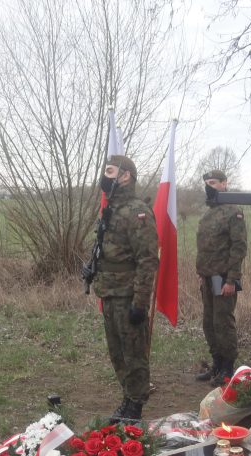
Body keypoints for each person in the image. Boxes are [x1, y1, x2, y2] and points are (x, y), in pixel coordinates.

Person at [90, 155, 158, 422]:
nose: (105, 176)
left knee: (133, 353)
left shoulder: (137, 212)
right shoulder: (112, 209)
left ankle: (135, 407)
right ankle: (128, 398)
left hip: (128, 295)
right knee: (117, 352)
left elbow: (147, 260)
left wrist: (140, 302)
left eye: (110, 171)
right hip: (109, 292)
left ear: (125, 175)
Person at [195, 168, 247, 385]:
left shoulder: (233, 212)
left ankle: (227, 368)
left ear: (225, 183)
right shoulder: (207, 214)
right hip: (207, 278)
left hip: (223, 278)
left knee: (223, 322)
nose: (209, 186)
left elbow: (239, 248)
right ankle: (216, 364)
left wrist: (231, 279)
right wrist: (202, 274)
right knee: (209, 322)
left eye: (214, 183)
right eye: (207, 183)